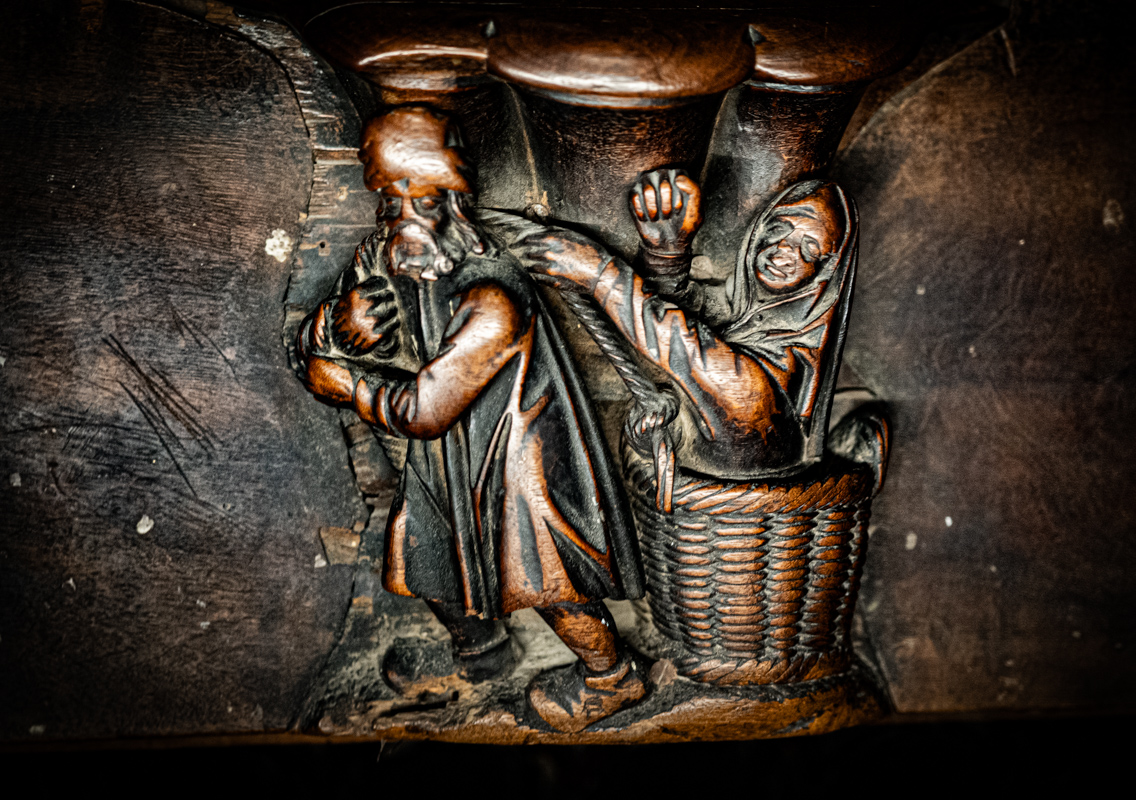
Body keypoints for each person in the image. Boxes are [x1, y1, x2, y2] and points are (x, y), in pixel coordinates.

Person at [292, 106, 647, 733]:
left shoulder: (491, 301)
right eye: (391, 203)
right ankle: (482, 655)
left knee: (545, 578)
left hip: (516, 457)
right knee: (420, 549)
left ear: (455, 203)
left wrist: (347, 383)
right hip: (446, 456)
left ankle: (610, 677)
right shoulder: (387, 256)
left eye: (424, 202)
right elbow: (313, 349)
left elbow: (424, 410)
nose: (404, 220)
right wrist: (333, 328)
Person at [514, 171, 858, 479]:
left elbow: (689, 348)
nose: (783, 252)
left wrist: (600, 274)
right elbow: (696, 311)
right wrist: (666, 254)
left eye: (809, 250)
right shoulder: (746, 316)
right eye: (777, 231)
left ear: (824, 277)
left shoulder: (766, 388)